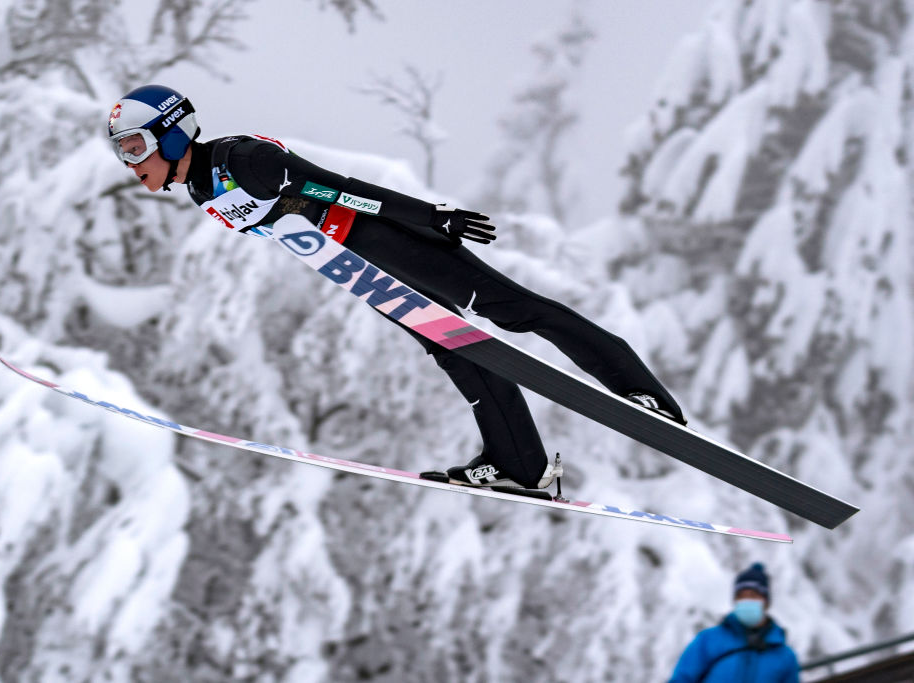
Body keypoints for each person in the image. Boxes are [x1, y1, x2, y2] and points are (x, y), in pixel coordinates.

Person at [106, 84, 685, 490]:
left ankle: (640, 391)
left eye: (135, 148)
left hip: (386, 240)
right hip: (355, 265)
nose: (132, 165)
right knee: (457, 352)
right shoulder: (202, 190)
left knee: (514, 312)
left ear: (172, 133)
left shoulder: (242, 160)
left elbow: (340, 189)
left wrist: (431, 217)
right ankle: (521, 466)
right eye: (123, 153)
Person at [669, 563, 800, 683]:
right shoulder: (708, 641)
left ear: (766, 601)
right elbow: (682, 679)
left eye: (753, 596)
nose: (747, 601)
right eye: (741, 596)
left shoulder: (784, 656)